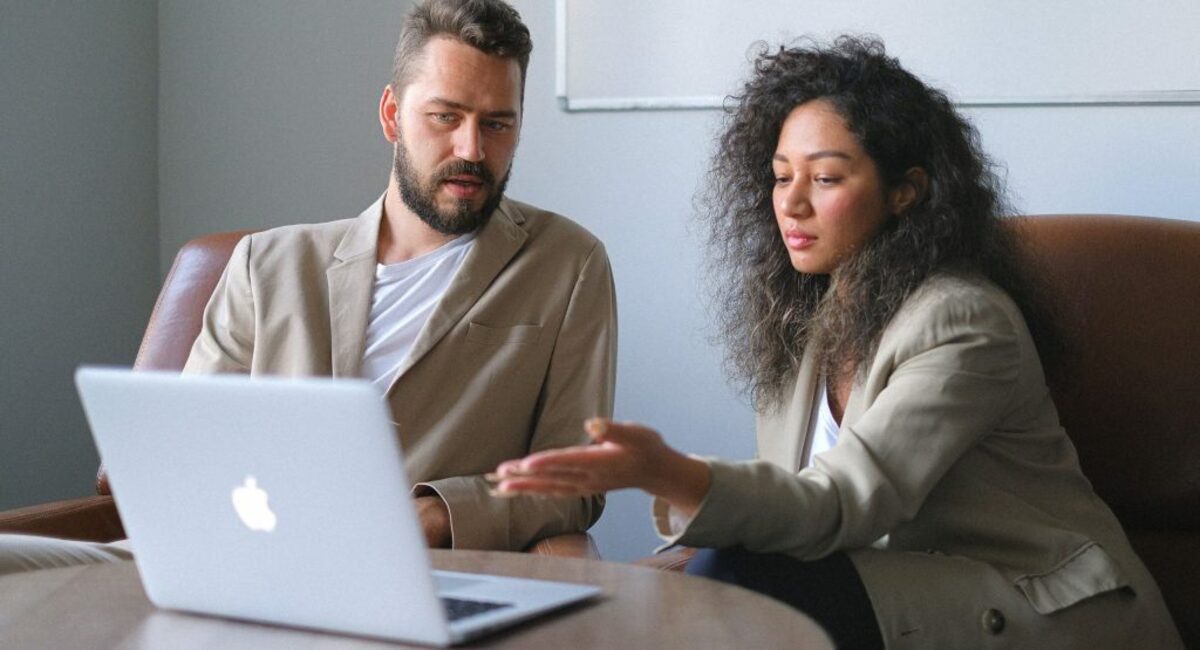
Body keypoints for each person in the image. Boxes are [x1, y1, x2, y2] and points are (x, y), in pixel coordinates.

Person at [491, 37, 1183, 649]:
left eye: (824, 179)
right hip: (899, 591)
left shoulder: (965, 323)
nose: (791, 202)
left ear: (906, 192)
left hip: (1045, 609)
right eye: (780, 175)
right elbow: (791, 515)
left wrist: (666, 471)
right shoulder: (805, 320)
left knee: (741, 579)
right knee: (684, 594)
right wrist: (635, 581)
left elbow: (841, 505)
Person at [0, 0, 614, 573]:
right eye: (445, 116)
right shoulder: (266, 264)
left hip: (412, 571)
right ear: (393, 116)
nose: (471, 149)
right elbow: (189, 451)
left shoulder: (566, 264)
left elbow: (578, 479)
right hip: (227, 550)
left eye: (498, 124)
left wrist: (434, 515)